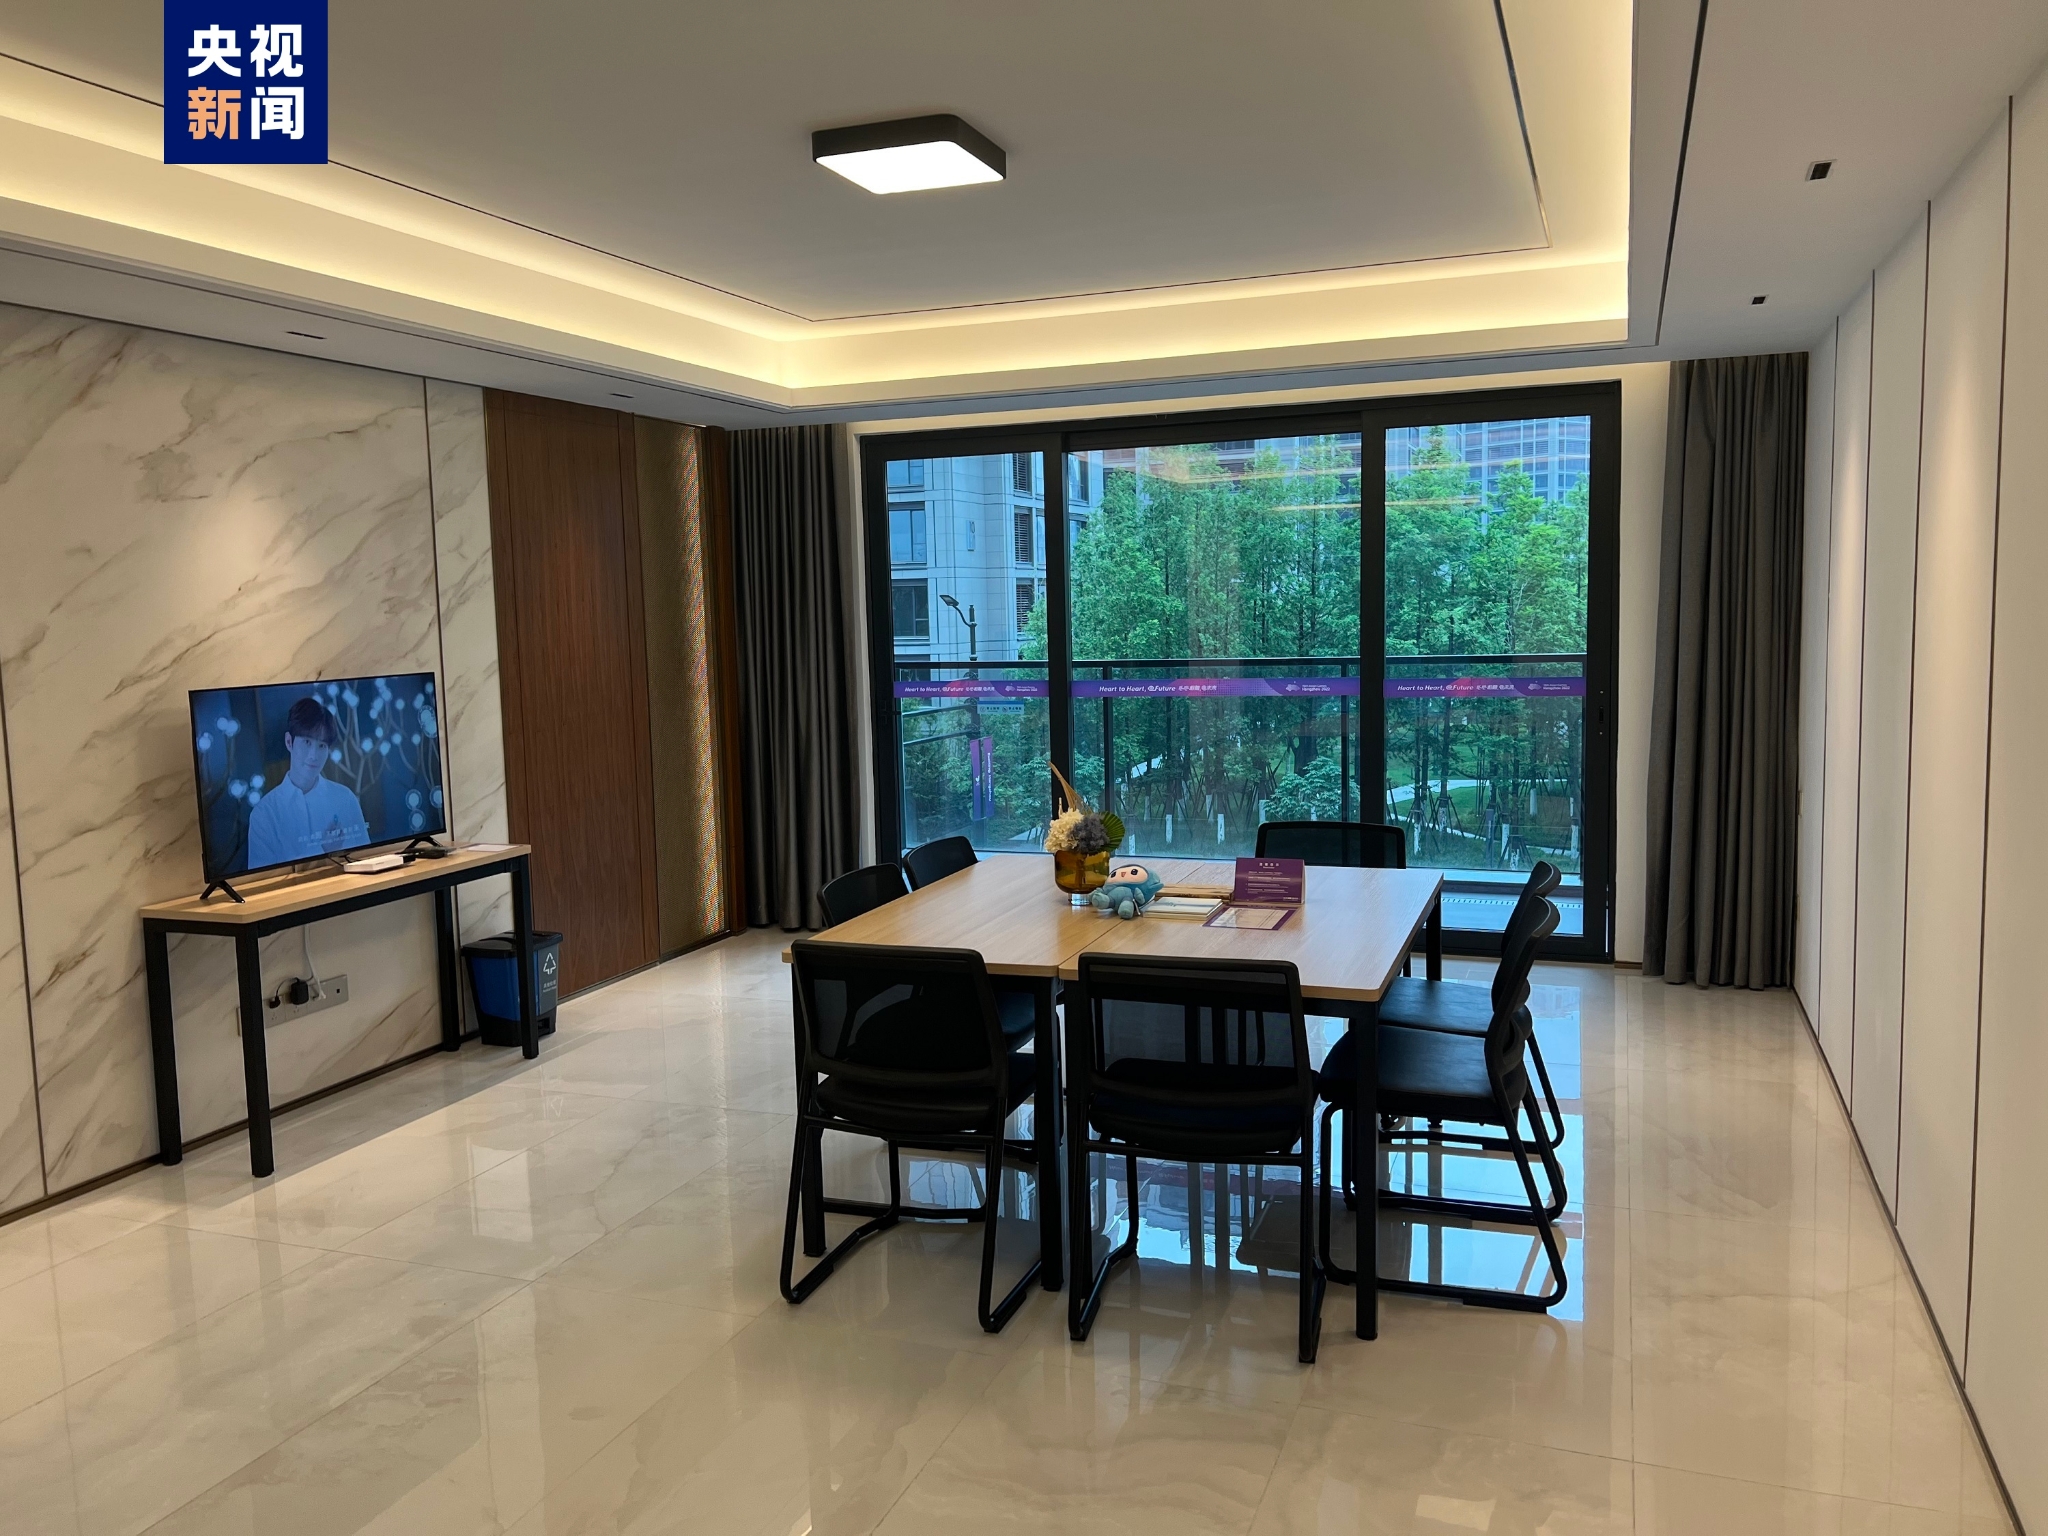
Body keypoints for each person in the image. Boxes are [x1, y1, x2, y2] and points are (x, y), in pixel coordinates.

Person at [244, 696, 370, 869]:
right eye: (307, 742)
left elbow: (366, 860)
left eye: (321, 746)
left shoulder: (345, 798)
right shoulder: (264, 813)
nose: (313, 755)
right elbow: (262, 880)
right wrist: (323, 850)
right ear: (289, 742)